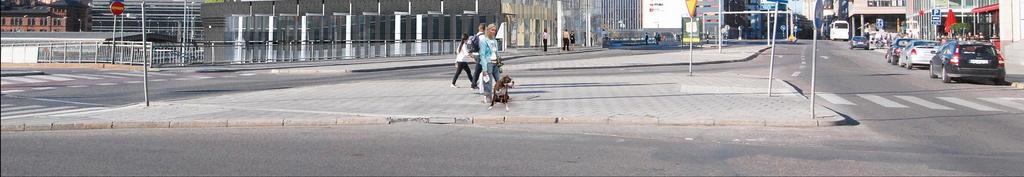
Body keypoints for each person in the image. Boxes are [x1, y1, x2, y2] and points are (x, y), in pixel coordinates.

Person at [478, 24, 502, 102]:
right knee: (488, 81)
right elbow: (482, 55)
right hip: (488, 63)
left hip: (496, 63)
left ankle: (498, 95)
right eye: (492, 30)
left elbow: (496, 52)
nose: (494, 32)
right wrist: (484, 68)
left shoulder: (494, 41)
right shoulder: (483, 41)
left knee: (499, 81)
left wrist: (499, 61)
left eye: (495, 30)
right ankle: (488, 97)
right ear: (488, 30)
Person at [469, 24, 486, 90]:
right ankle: (474, 85)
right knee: (479, 70)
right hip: (481, 56)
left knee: (480, 70)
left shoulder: (475, 35)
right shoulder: (483, 37)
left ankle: (477, 84)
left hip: (475, 54)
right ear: (483, 29)